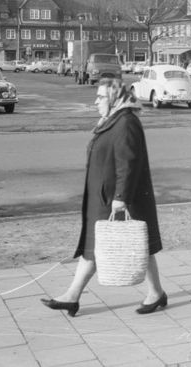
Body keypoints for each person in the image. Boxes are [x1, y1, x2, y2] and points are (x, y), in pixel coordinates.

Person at [41, 78, 167, 316]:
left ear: (114, 97)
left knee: (117, 246)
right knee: (130, 246)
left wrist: (120, 197)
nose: (96, 101)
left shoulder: (126, 122)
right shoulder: (113, 120)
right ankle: (155, 293)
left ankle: (73, 296)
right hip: (105, 197)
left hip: (115, 200)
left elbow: (128, 164)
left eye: (100, 97)